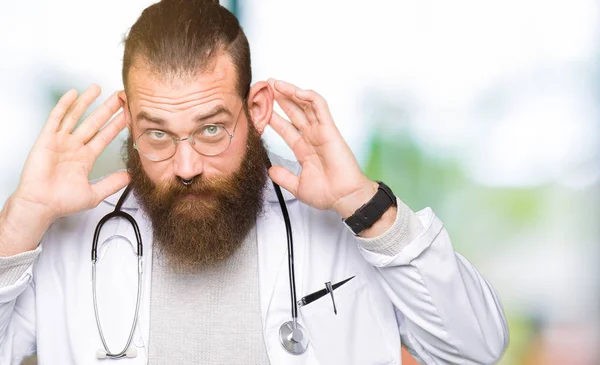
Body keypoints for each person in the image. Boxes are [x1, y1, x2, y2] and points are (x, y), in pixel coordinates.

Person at [0, 0, 509, 364]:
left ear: (257, 108)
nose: (185, 166)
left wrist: (364, 204)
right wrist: (18, 224)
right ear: (129, 120)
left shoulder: (346, 226)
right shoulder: (70, 242)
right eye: (157, 134)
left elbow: (475, 347)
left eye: (212, 129)